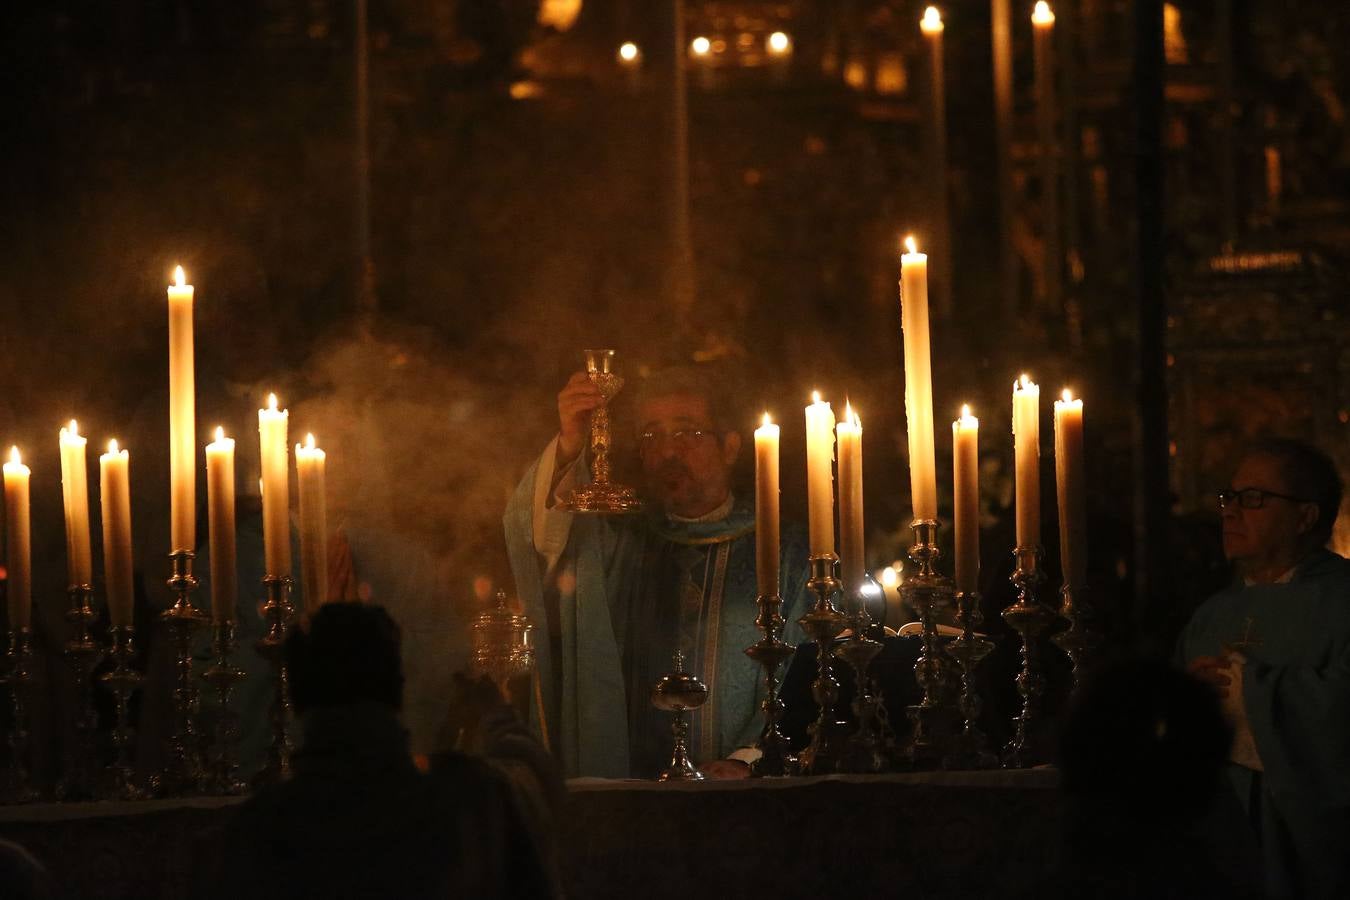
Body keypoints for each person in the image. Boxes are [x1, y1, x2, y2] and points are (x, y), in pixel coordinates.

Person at [504, 365, 812, 779]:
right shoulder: (622, 541)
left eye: (687, 433)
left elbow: (810, 665)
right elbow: (538, 536)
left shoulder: (785, 552)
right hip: (635, 784)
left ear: (731, 447)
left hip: (749, 787)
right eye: (652, 436)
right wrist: (570, 444)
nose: (668, 451)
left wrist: (748, 759)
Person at [216, 603, 557, 900]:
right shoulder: (462, 797)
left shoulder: (261, 827)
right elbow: (532, 785)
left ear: (296, 695)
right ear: (398, 684)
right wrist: (496, 712)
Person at [1176, 439, 1350, 899]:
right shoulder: (1211, 616)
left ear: (1305, 517)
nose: (1231, 512)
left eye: (1253, 499)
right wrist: (1183, 701)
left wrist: (1243, 693)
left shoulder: (1342, 600)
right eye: (1229, 497)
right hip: (1217, 834)